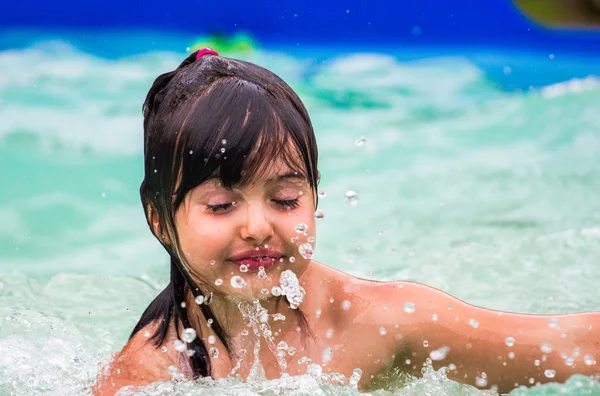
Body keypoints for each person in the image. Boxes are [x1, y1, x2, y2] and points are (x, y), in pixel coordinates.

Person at [92, 48, 600, 395]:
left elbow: (570, 349)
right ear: (159, 219)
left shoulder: (379, 323)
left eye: (286, 199)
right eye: (222, 206)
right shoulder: (147, 374)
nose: (257, 226)